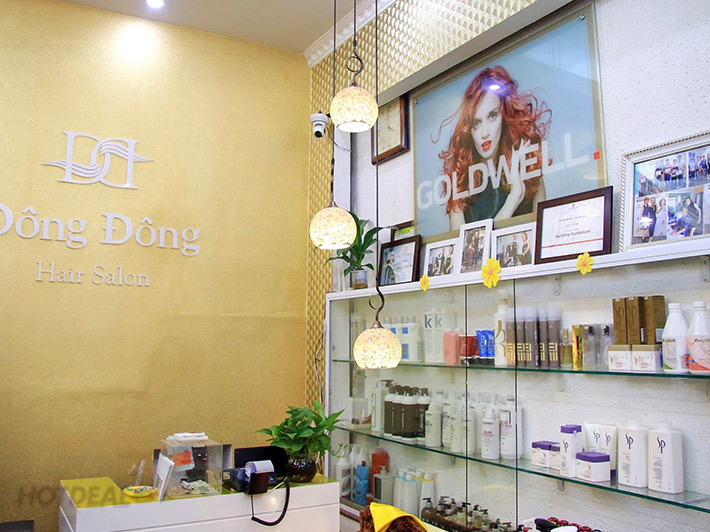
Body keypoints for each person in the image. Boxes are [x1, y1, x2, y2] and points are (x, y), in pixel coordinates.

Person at [437, 66, 551, 230]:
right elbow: (468, 246)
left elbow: (542, 235)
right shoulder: (461, 183)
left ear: (504, 117)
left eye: (492, 116)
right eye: (476, 123)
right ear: (468, 129)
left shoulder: (530, 172)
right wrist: (514, 198)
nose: (484, 133)